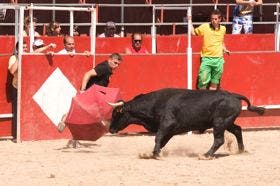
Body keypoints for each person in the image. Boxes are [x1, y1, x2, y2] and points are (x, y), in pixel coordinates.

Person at [57, 53, 122, 148]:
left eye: (118, 64)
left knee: (82, 117)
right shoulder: (104, 67)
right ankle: (67, 122)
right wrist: (83, 91)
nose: (116, 66)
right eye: (115, 63)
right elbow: (87, 74)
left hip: (92, 95)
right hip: (90, 94)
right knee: (86, 118)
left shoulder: (107, 69)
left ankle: (69, 128)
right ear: (110, 60)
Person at [189, 9, 230, 90]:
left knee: (214, 83)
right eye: (212, 19)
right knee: (202, 81)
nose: (213, 21)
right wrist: (189, 21)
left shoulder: (223, 29)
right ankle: (203, 100)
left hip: (219, 59)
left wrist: (225, 49)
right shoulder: (205, 27)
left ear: (220, 19)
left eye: (215, 19)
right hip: (206, 58)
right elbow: (193, 33)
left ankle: (211, 101)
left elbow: (221, 41)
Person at [8, 41, 28, 139]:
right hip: (17, 87)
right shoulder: (13, 58)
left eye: (25, 47)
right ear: (17, 49)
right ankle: (17, 135)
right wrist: (20, 56)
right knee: (17, 111)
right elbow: (12, 70)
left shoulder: (28, 56)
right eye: (22, 47)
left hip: (27, 88)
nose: (25, 49)